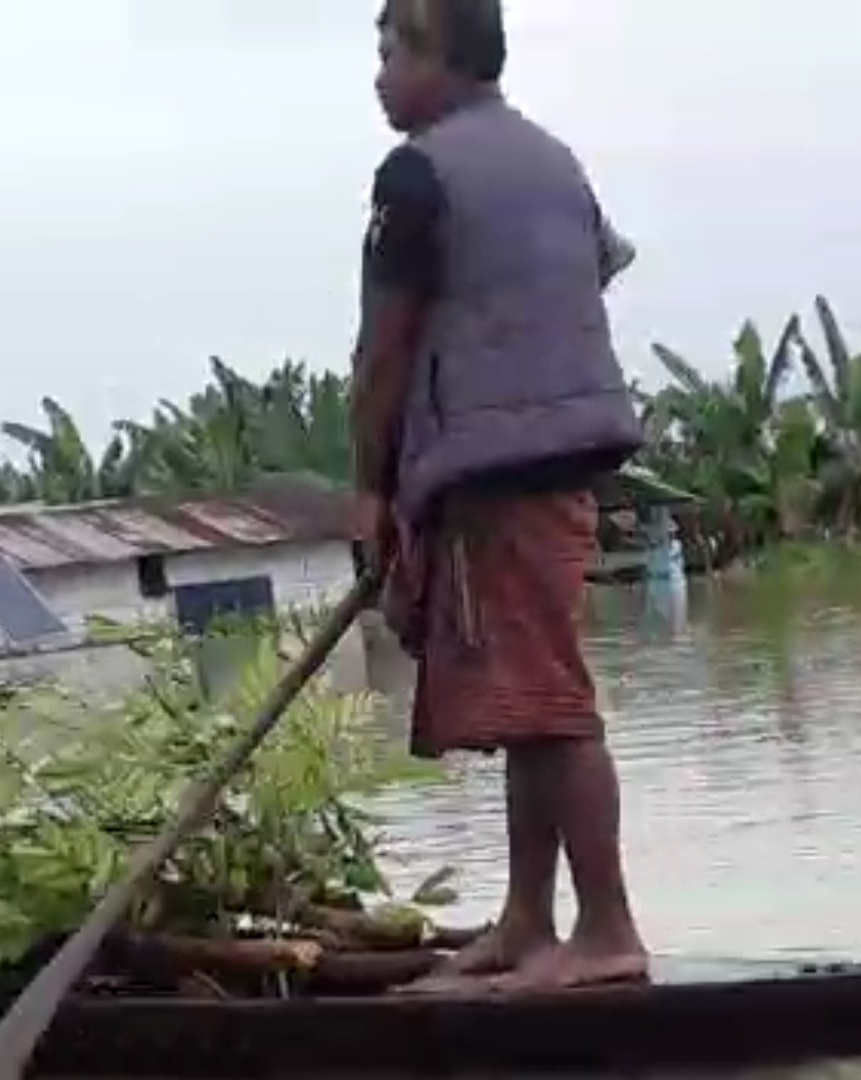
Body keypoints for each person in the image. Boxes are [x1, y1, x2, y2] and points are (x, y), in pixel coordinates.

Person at [350, 0, 650, 993]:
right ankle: (529, 922)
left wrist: (370, 492)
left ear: (447, 59)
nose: (379, 74)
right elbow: (590, 268)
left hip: (497, 460)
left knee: (552, 700)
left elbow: (382, 353)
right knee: (530, 701)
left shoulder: (418, 174)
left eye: (394, 52)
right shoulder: (553, 157)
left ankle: (606, 931)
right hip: (563, 444)